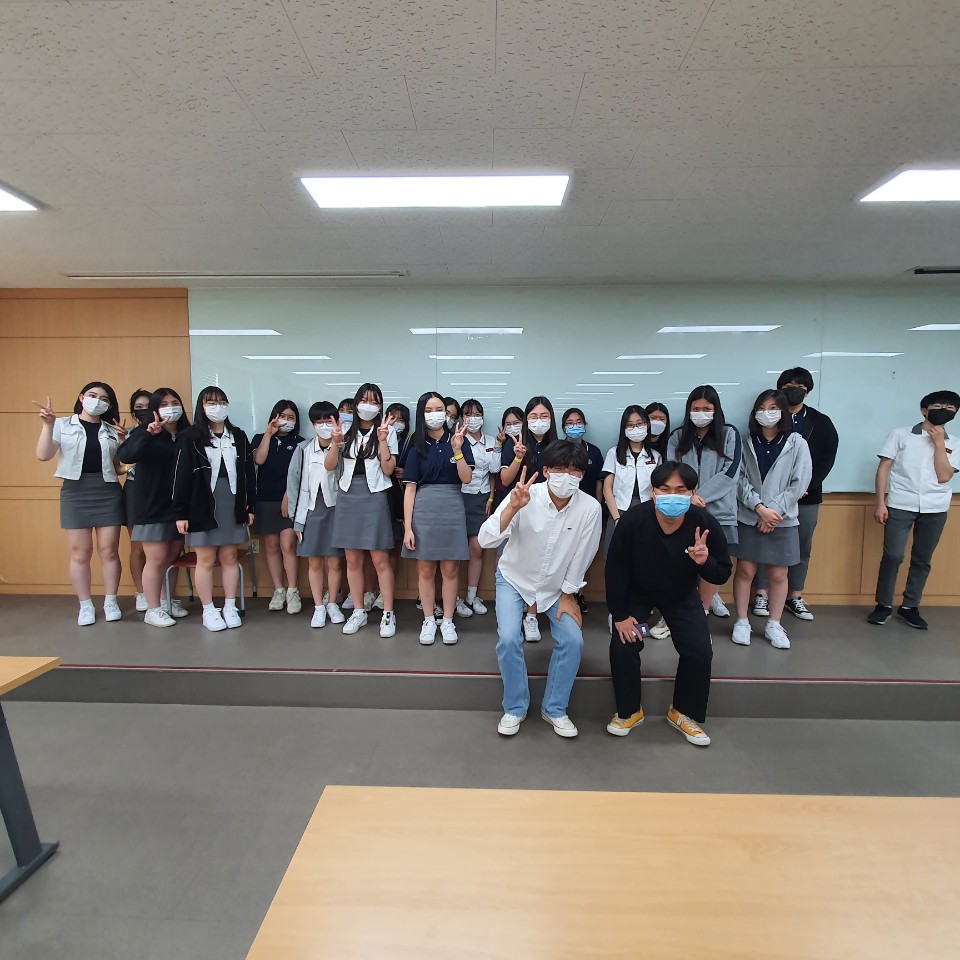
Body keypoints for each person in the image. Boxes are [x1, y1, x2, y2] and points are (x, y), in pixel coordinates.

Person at [478, 441, 602, 739]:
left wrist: (569, 595)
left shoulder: (590, 508)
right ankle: (515, 707)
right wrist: (512, 508)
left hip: (556, 587)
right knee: (509, 638)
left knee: (572, 640)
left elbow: (583, 555)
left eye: (574, 471)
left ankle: (555, 708)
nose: (566, 476)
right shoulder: (525, 495)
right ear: (545, 471)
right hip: (514, 578)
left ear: (582, 475)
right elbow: (486, 540)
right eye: (559, 469)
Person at [605, 461, 732, 747]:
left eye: (680, 490)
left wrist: (704, 562)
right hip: (638, 594)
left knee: (700, 650)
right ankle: (629, 711)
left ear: (693, 493)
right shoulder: (633, 521)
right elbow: (615, 570)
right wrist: (620, 615)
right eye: (664, 489)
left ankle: (683, 712)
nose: (672, 495)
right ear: (652, 491)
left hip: (681, 594)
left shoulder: (704, 523)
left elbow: (722, 572)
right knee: (622, 645)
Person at [34, 382, 126, 625]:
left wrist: (127, 451)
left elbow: (118, 467)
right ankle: (85, 605)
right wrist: (47, 425)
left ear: (109, 404)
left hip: (107, 491)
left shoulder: (112, 429)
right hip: (75, 492)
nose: (98, 401)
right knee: (80, 552)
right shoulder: (62, 424)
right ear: (82, 397)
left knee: (109, 550)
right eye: (93, 395)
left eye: (104, 398)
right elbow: (43, 455)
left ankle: (110, 601)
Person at [868, 390, 960, 629]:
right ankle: (883, 604)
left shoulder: (954, 442)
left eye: (950, 408)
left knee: (922, 559)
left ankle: (910, 606)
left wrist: (939, 444)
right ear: (924, 410)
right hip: (900, 503)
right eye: (938, 406)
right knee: (893, 556)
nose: (944, 411)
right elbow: (883, 468)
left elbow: (944, 476)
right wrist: (880, 503)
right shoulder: (900, 435)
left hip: (935, 507)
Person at [752, 368, 839, 621]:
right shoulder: (768, 420)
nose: (794, 390)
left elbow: (827, 457)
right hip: (767, 500)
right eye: (788, 385)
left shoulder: (821, 422)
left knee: (801, 547)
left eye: (800, 387)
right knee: (763, 546)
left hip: (806, 497)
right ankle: (762, 593)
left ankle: (795, 595)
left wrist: (805, 487)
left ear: (808, 391)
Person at [731, 390, 812, 650]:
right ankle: (742, 621)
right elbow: (739, 479)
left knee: (778, 574)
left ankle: (774, 624)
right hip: (750, 515)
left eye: (773, 408)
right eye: (761, 408)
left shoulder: (797, 442)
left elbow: (800, 482)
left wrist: (772, 512)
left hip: (782, 519)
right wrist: (759, 508)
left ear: (783, 411)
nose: (767, 413)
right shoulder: (746, 441)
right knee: (745, 571)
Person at [172, 386, 256, 632]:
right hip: (201, 503)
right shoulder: (189, 437)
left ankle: (230, 606)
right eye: (211, 403)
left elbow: (248, 474)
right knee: (206, 559)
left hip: (232, 501)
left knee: (229, 557)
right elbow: (180, 477)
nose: (217, 407)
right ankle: (208, 609)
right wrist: (181, 513)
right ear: (202, 406)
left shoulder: (238, 436)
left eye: (222, 402)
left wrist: (249, 506)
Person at [402, 392, 474, 645]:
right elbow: (410, 489)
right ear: (421, 414)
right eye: (429, 409)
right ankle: (429, 620)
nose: (435, 414)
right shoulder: (416, 445)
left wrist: (457, 450)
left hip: (452, 506)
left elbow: (466, 478)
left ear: (447, 412)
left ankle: (448, 621)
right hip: (424, 509)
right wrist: (408, 528)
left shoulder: (458, 440)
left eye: (439, 408)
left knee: (450, 568)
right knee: (425, 568)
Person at [329, 383, 399, 637]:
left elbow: (389, 470)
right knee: (353, 559)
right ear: (356, 402)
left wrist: (382, 440)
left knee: (380, 559)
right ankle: (358, 610)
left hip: (375, 495)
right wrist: (335, 443)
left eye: (374, 401)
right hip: (348, 495)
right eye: (364, 400)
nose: (368, 406)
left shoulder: (387, 430)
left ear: (380, 406)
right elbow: (329, 466)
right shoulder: (345, 428)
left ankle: (388, 613)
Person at [667, 386, 743, 617]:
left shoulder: (729, 434)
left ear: (716, 410)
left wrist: (700, 496)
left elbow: (731, 472)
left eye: (706, 409)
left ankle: (703, 610)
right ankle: (684, 608)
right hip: (685, 509)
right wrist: (688, 496)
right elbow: (671, 469)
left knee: (712, 562)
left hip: (719, 511)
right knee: (684, 560)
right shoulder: (678, 436)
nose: (701, 413)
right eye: (696, 408)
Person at [118, 388, 190, 628]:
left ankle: (166, 600)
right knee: (156, 558)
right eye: (164, 404)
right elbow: (126, 455)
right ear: (155, 409)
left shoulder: (186, 434)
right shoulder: (144, 431)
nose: (171, 407)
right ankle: (153, 608)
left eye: (175, 402)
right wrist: (148, 434)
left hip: (179, 506)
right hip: (152, 504)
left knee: (173, 555)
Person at [497, 396, 558, 643]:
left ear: (551, 419)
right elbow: (504, 480)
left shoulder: (558, 446)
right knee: (512, 560)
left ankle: (531, 616)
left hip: (547, 512)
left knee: (539, 562)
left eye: (544, 416)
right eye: (533, 416)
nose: (538, 421)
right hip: (517, 509)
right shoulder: (515, 444)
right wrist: (518, 457)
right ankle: (511, 613)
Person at [601, 406, 666, 638]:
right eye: (630, 425)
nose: (635, 428)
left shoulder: (655, 456)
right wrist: (617, 518)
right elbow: (607, 488)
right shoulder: (614, 453)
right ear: (623, 428)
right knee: (615, 564)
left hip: (647, 513)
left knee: (643, 563)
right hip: (619, 510)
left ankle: (638, 611)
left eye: (639, 424)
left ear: (647, 426)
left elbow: (658, 489)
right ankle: (616, 612)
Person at [286, 401, 345, 629]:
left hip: (335, 510)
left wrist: (337, 445)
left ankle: (332, 603)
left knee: (334, 562)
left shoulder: (342, 446)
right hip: (309, 511)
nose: (323, 425)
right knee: (315, 561)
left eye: (328, 421)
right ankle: (319, 606)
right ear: (312, 424)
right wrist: (295, 518)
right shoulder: (303, 449)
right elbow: (293, 482)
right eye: (318, 422)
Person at [253, 400, 305, 615]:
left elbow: (299, 475)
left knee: (288, 545)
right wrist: (268, 434)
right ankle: (278, 589)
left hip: (289, 500)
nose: (286, 421)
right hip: (265, 499)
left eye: (291, 418)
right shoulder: (260, 438)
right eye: (282, 416)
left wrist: (288, 496)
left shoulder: (301, 443)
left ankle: (293, 590)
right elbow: (259, 460)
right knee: (271, 546)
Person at [457, 399, 500, 617]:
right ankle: (455, 598)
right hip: (458, 497)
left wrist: (491, 498)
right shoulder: (457, 440)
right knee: (455, 550)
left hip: (482, 498)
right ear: (462, 418)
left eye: (477, 414)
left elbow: (494, 472)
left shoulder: (491, 441)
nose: (473, 418)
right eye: (468, 414)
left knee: (476, 547)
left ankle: (471, 596)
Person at [125, 388, 153, 612]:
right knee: (138, 547)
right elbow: (116, 465)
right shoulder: (126, 433)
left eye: (147, 406)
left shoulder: (165, 431)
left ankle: (161, 595)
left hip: (159, 491)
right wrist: (129, 464)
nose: (143, 411)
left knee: (162, 548)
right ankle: (141, 593)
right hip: (135, 490)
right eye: (139, 407)